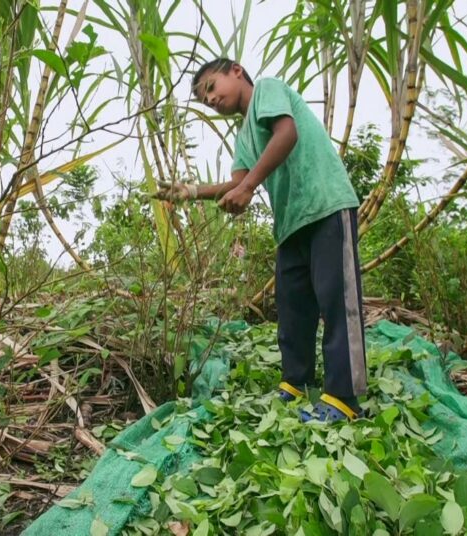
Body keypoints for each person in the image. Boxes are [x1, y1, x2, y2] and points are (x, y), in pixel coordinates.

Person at [154, 58, 367, 422]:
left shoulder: (267, 90)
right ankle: (295, 382)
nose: (211, 100)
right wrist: (192, 191)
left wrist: (250, 187)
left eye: (210, 88)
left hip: (326, 204)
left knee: (337, 303)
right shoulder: (244, 137)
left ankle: (343, 398)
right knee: (292, 308)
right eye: (205, 101)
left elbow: (287, 134)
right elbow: (238, 183)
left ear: (236, 71)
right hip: (291, 223)